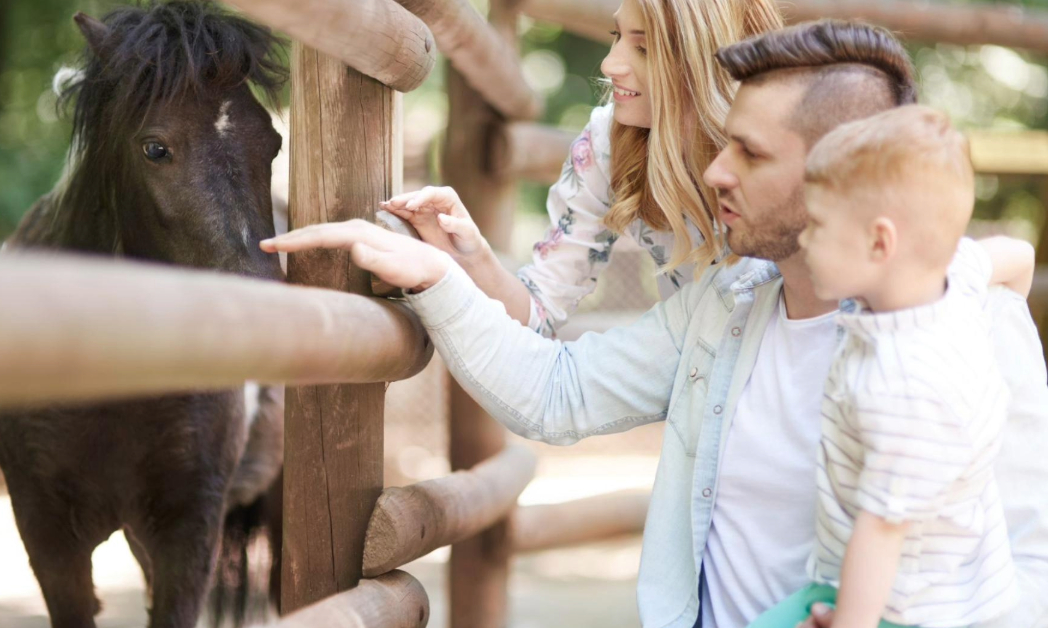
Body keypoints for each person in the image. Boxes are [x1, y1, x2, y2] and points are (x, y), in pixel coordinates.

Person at [262, 20, 1048, 628]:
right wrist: (435, 276)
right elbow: (556, 394)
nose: (714, 173)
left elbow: (1025, 557)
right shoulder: (729, 304)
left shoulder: (964, 332)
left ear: (836, 174)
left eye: (748, 153)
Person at [747, 105, 1033, 628]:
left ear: (881, 242)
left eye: (818, 224)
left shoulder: (905, 386)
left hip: (904, 607)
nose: (803, 239)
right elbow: (1020, 255)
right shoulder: (955, 280)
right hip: (897, 579)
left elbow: (882, 533)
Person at [383, 0, 784, 338]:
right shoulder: (607, 144)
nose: (610, 65)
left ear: (702, 58)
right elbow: (537, 313)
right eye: (617, 37)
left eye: (643, 49)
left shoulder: (789, 139)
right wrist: (470, 255)